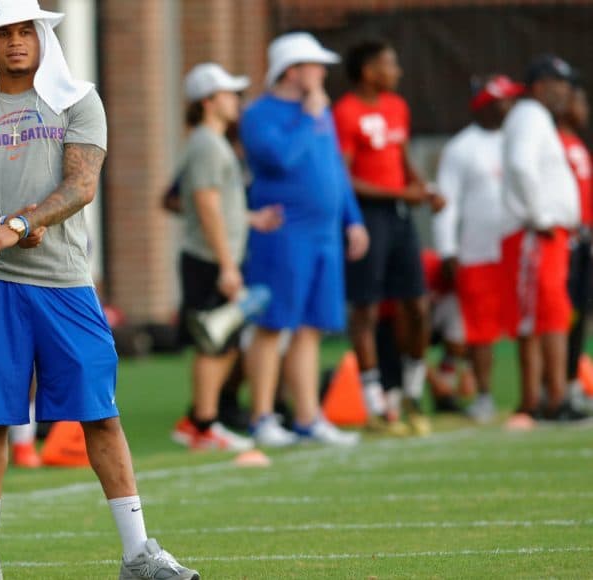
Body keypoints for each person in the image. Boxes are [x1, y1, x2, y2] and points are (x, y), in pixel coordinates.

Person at [0, 1, 198, 578]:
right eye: (4, 33)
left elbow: (81, 185)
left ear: (43, 35)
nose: (16, 41)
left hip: (66, 284)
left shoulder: (79, 98)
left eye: (26, 29)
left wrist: (21, 225)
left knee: (99, 414)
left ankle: (138, 553)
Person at [240, 32, 367, 448]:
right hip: (285, 233)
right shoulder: (260, 114)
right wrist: (310, 117)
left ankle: (308, 418)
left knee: (312, 327)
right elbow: (279, 159)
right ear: (292, 71)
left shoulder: (318, 114)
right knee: (274, 323)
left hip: (325, 234)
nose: (322, 72)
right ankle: (262, 417)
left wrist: (353, 220)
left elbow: (335, 169)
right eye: (314, 65)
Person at [334, 40, 445, 436]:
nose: (396, 71)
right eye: (389, 64)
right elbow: (345, 178)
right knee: (365, 309)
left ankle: (411, 393)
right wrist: (402, 193)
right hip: (366, 218)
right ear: (368, 71)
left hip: (399, 217)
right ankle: (375, 404)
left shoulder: (397, 106)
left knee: (417, 304)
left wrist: (424, 188)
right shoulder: (345, 112)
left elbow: (401, 159)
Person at [170, 62, 282, 451]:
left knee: (226, 343)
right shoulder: (206, 143)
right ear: (208, 101)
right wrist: (228, 265)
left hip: (215, 257)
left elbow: (220, 204)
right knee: (214, 343)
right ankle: (203, 423)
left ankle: (200, 420)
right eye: (229, 94)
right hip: (209, 259)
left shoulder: (212, 142)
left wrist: (251, 218)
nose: (236, 100)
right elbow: (206, 205)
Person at [433, 75, 525, 423]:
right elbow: (447, 203)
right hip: (478, 251)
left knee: (530, 325)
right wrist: (447, 249)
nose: (511, 106)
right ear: (485, 104)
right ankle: (484, 395)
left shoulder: (519, 139)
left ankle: (537, 393)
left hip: (518, 249)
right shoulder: (462, 148)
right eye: (504, 100)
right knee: (480, 330)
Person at [501, 54, 582, 427]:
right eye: (558, 82)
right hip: (538, 232)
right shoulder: (530, 115)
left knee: (552, 316)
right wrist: (540, 216)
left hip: (549, 232)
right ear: (538, 86)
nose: (565, 90)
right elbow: (520, 165)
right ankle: (542, 400)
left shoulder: (536, 118)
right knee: (540, 317)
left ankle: (552, 397)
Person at [559, 85, 593, 412]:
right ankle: (557, 386)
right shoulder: (554, 142)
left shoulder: (577, 144)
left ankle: (570, 382)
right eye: (578, 98)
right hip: (565, 241)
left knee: (579, 315)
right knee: (563, 316)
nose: (584, 107)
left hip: (584, 241)